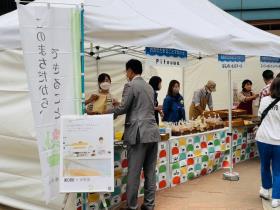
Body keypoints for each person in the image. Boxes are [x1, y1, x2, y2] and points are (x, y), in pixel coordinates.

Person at [107, 59, 160, 210]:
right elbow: (139, 107)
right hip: (152, 132)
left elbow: (123, 108)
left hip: (138, 134)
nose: (126, 74)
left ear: (130, 71)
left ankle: (131, 206)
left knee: (134, 173)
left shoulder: (130, 85)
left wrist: (105, 113)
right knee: (150, 172)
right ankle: (149, 205)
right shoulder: (149, 87)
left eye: (126, 71)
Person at [256, 77, 280, 208]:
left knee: (264, 165)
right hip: (278, 141)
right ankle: (276, 198)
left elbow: (261, 115)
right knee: (278, 170)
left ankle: (266, 191)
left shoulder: (264, 100)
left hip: (263, 138)